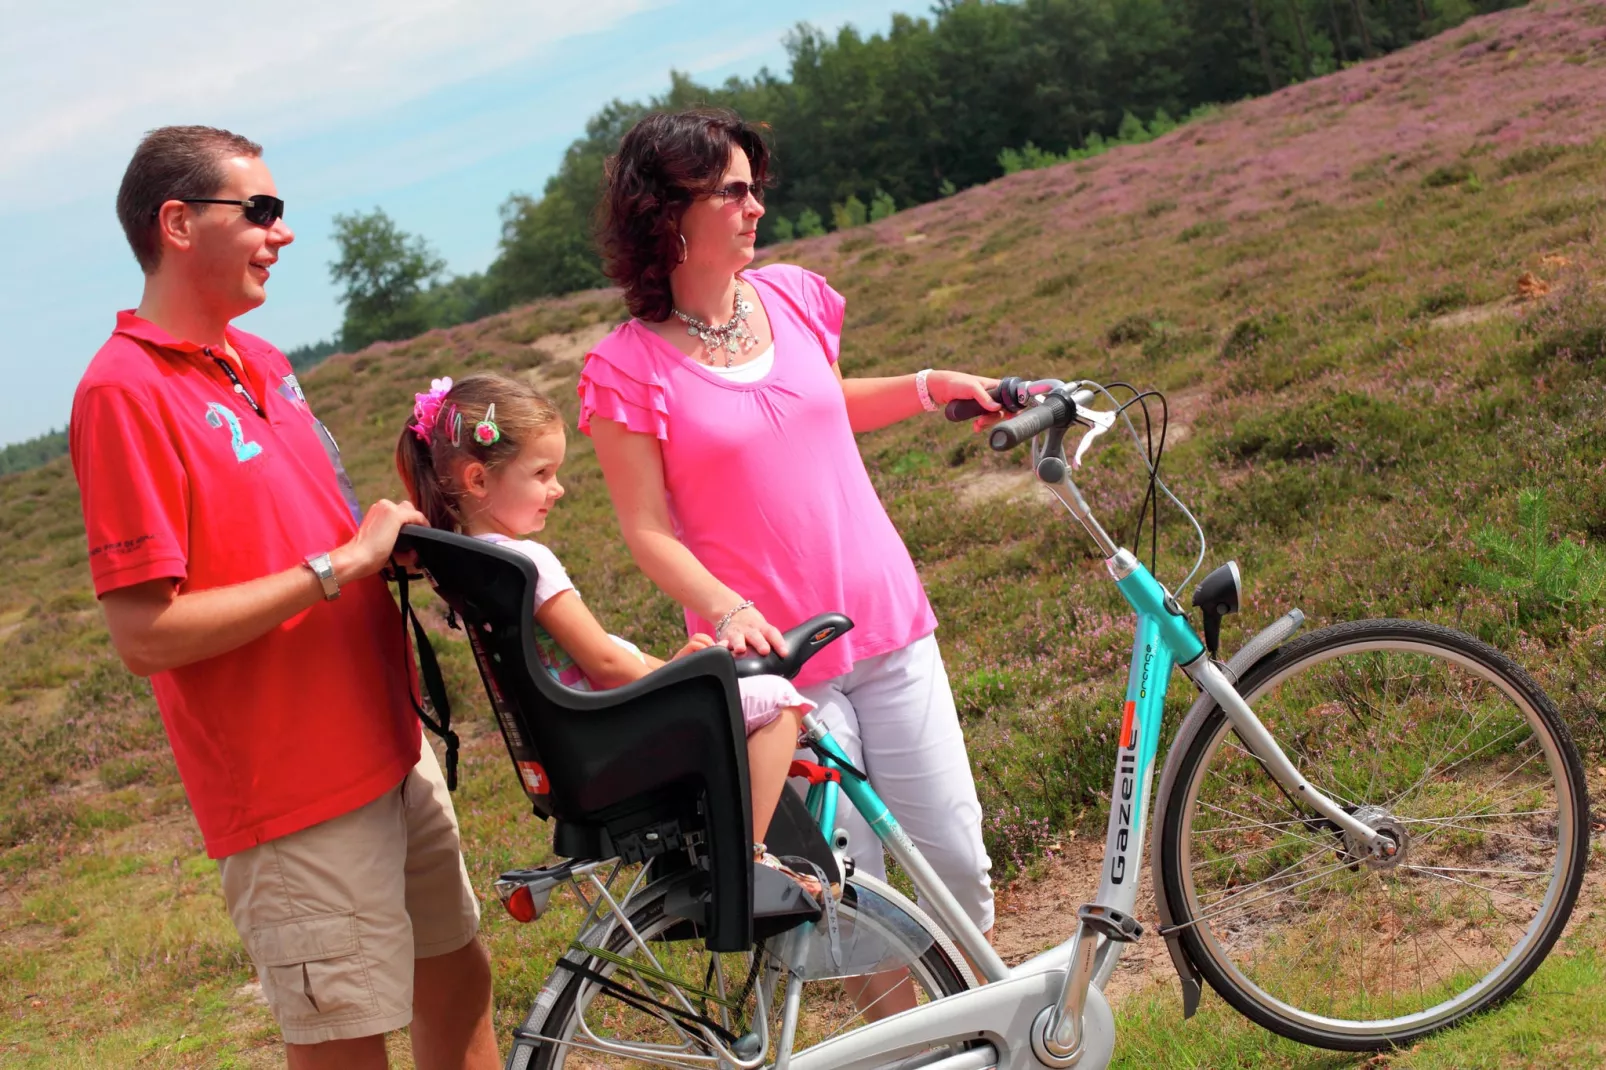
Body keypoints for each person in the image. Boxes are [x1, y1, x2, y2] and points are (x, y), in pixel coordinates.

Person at [69, 126, 498, 1070]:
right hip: (292, 791)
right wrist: (338, 569)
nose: (283, 231)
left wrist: (404, 551)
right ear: (177, 224)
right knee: (345, 1043)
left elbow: (313, 537)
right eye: (259, 210)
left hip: (391, 748)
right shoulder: (123, 392)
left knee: (460, 979)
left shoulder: (260, 361)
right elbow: (145, 634)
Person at [579, 108, 1004, 966]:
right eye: (732, 190)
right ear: (667, 212)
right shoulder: (625, 367)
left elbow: (821, 406)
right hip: (774, 672)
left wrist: (929, 384)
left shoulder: (794, 296)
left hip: (884, 618)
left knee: (956, 855)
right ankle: (909, 1056)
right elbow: (646, 529)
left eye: (755, 187)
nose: (755, 207)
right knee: (849, 889)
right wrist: (725, 606)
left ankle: (981, 1023)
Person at [394, 372, 830, 896]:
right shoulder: (528, 560)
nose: (557, 488)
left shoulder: (471, 561)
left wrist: (668, 671)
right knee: (779, 702)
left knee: (730, 685)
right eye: (541, 472)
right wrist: (676, 678)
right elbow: (602, 662)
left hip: (583, 737)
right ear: (478, 481)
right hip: (616, 729)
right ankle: (748, 860)